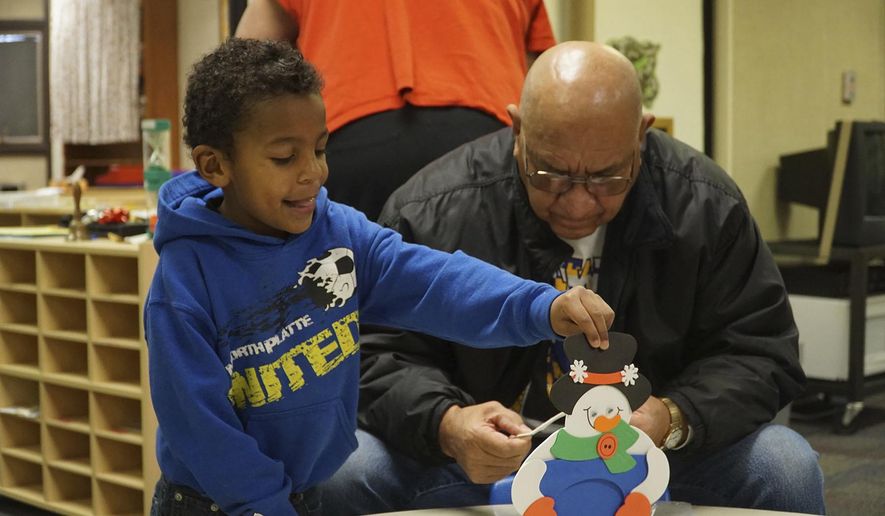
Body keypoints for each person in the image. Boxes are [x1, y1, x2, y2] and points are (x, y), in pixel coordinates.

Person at [326, 41, 826, 515]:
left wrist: (673, 417)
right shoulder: (432, 210)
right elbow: (372, 349)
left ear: (642, 136)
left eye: (609, 175)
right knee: (346, 471)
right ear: (517, 129)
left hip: (645, 455)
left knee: (784, 466)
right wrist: (447, 423)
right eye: (549, 174)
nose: (579, 202)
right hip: (480, 458)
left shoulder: (706, 207)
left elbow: (761, 350)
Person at [144, 38, 616, 516]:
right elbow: (201, 428)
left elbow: (435, 282)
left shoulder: (337, 233)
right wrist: (265, 506)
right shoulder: (185, 283)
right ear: (215, 165)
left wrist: (541, 306)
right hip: (214, 503)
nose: (314, 173)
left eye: (321, 148)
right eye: (285, 158)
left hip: (302, 494)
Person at [235, 0, 556, 220]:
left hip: (350, 133)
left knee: (346, 302)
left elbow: (246, 66)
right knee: (491, 299)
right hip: (486, 134)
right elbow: (546, 82)